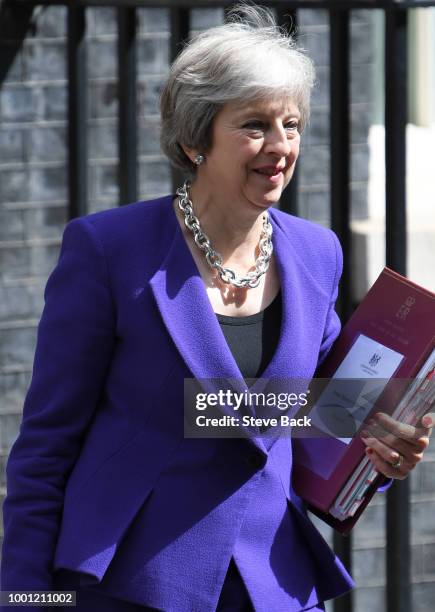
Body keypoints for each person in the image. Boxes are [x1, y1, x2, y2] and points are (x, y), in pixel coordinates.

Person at [1, 5, 433, 612]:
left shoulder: (317, 253)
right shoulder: (109, 250)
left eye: (292, 123)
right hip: (132, 583)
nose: (281, 146)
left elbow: (326, 418)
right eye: (255, 125)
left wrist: (383, 449)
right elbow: (45, 449)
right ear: (193, 138)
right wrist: (23, 600)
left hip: (275, 583)